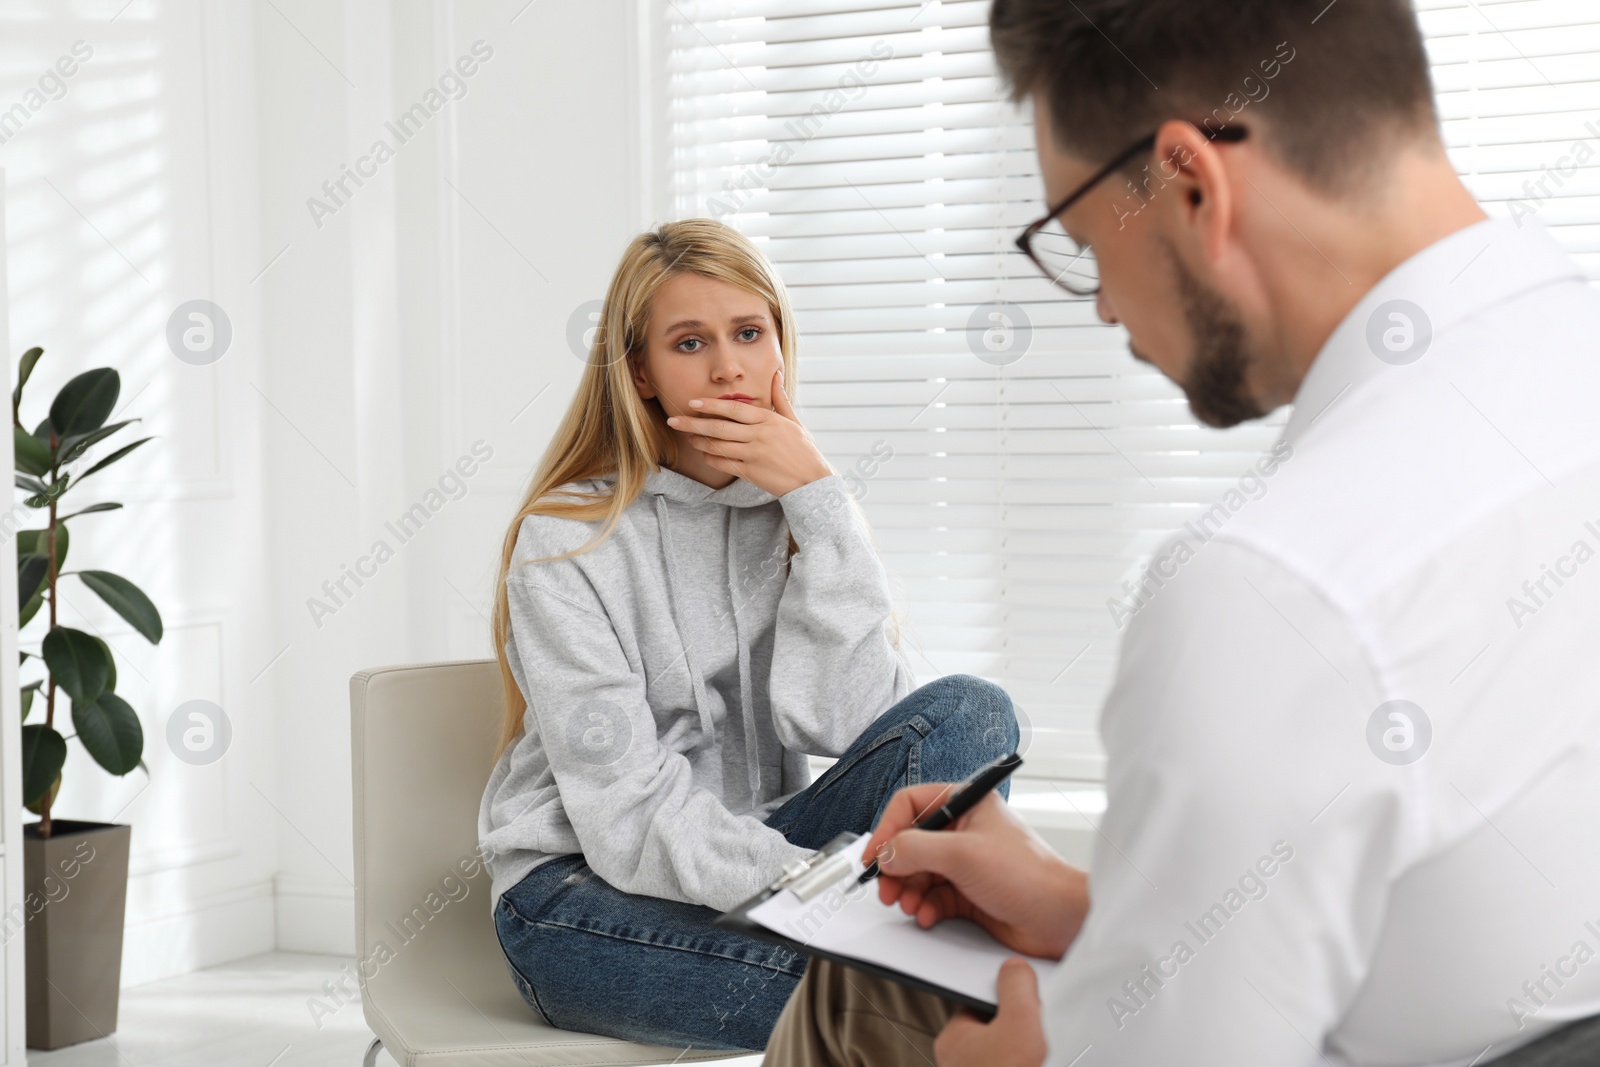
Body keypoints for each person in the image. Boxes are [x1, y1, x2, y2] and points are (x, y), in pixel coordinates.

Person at [760, 0, 1600, 1064]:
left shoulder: (1273, 586)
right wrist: (1087, 902)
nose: (1106, 308)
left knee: (851, 995)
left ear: (1192, 184)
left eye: (1081, 247)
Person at [476, 218, 1019, 1052]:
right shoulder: (568, 539)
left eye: (748, 332)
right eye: (689, 341)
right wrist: (818, 891)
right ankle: (924, 967)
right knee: (912, 999)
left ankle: (920, 957)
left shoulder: (794, 508)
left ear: (778, 345)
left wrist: (822, 505)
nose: (729, 366)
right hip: (578, 895)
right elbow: (625, 814)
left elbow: (848, 720)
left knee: (970, 713)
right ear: (643, 373)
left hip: (761, 849)